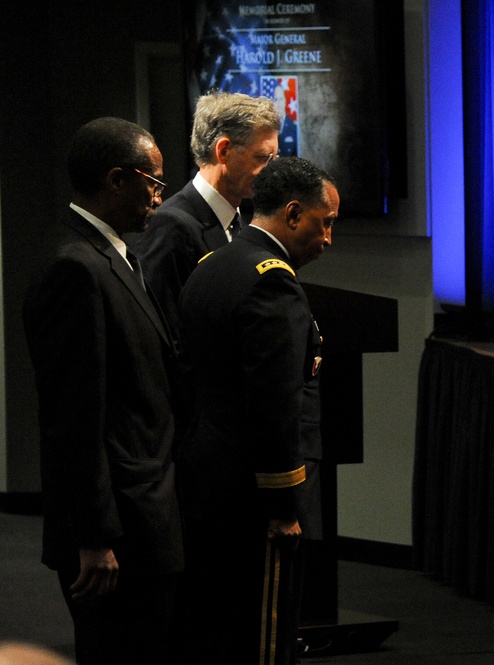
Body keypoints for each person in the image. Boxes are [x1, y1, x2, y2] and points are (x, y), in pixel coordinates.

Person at [22, 117, 183, 665]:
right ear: (118, 179)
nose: (158, 197)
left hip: (143, 519)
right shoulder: (74, 268)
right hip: (116, 536)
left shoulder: (114, 254)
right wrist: (94, 537)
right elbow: (73, 417)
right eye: (153, 182)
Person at [174, 156, 338, 664]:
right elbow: (275, 405)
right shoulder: (272, 281)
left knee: (214, 630)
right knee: (262, 640)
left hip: (207, 482)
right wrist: (284, 506)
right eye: (324, 222)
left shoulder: (214, 265)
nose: (329, 238)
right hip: (255, 501)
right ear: (293, 214)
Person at [131, 90, 280, 338]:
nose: (271, 171)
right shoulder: (170, 226)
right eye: (263, 158)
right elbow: (162, 333)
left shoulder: (237, 222)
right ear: (223, 151)